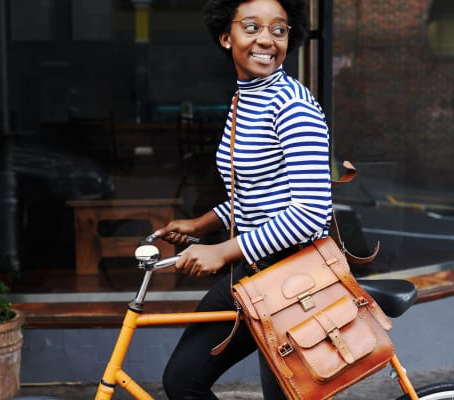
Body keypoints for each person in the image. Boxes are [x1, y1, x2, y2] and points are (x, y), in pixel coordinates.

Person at [155, 0, 332, 398]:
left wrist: (223, 251)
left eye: (279, 30)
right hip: (253, 271)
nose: (266, 40)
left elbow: (310, 212)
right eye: (251, 27)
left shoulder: (292, 107)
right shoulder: (245, 100)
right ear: (225, 36)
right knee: (183, 381)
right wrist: (203, 224)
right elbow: (257, 192)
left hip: (291, 279)